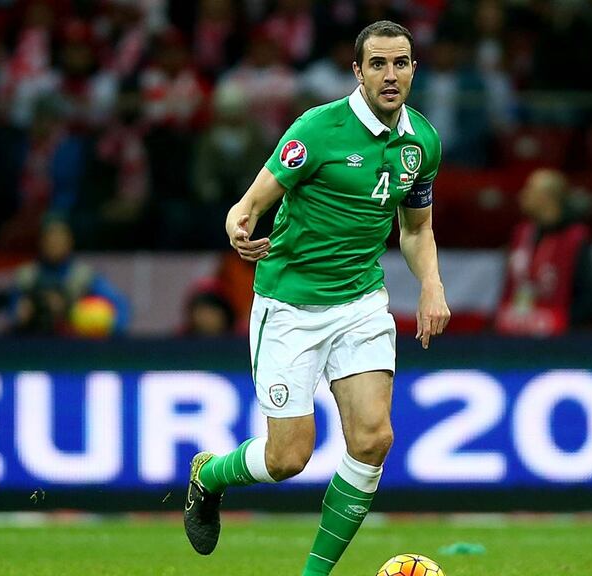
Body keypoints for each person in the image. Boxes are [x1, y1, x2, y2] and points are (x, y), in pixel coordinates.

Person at [183, 21, 450, 576]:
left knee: (374, 439)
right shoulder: (318, 129)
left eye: (400, 63)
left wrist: (432, 284)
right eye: (378, 64)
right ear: (357, 71)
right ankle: (208, 476)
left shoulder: (422, 143)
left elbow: (417, 229)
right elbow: (251, 200)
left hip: (360, 302)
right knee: (288, 458)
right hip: (290, 306)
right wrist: (239, 223)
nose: (391, 74)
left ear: (413, 70)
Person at [495, 168, 592, 336]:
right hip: (514, 334)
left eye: (530, 189)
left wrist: (557, 323)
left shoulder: (575, 239)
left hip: (558, 343)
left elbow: (590, 301)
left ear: (548, 198)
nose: (522, 195)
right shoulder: (521, 234)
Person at [10, 215, 131, 336]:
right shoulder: (27, 275)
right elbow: (12, 312)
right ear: (41, 242)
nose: (54, 245)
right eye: (50, 240)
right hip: (33, 343)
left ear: (70, 242)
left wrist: (72, 310)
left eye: (59, 240)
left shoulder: (83, 275)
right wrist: (21, 313)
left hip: (74, 344)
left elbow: (121, 308)